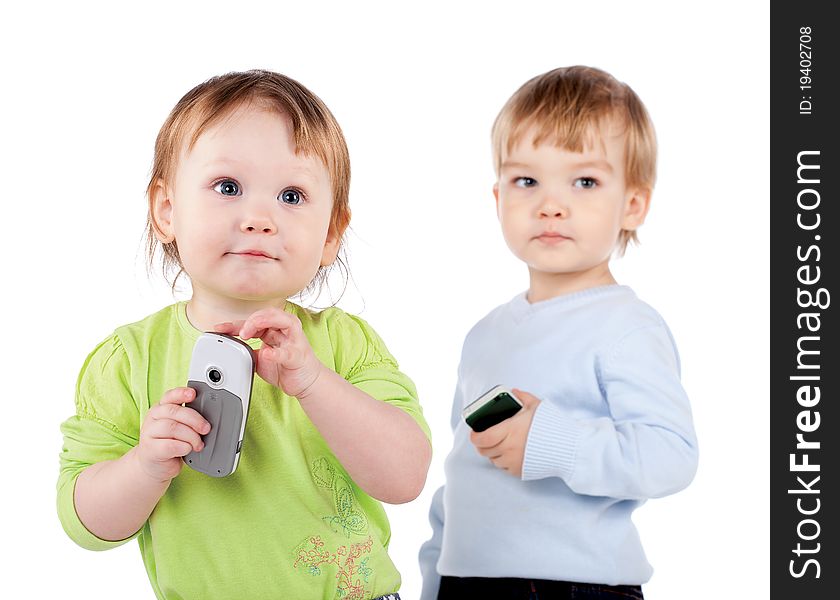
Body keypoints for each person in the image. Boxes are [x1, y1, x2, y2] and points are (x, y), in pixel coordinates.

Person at [57, 69, 431, 600]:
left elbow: (405, 477)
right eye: (227, 187)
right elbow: (85, 524)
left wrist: (314, 384)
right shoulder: (129, 359)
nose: (259, 217)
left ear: (330, 234)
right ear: (167, 210)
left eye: (292, 195)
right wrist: (144, 466)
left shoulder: (346, 344)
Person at [419, 66, 698, 599]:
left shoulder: (626, 327)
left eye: (585, 181)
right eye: (527, 181)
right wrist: (434, 578)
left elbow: (671, 455)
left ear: (633, 205)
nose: (551, 204)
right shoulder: (484, 335)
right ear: (498, 197)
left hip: (576, 585)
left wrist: (553, 442)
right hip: (468, 582)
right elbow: (462, 473)